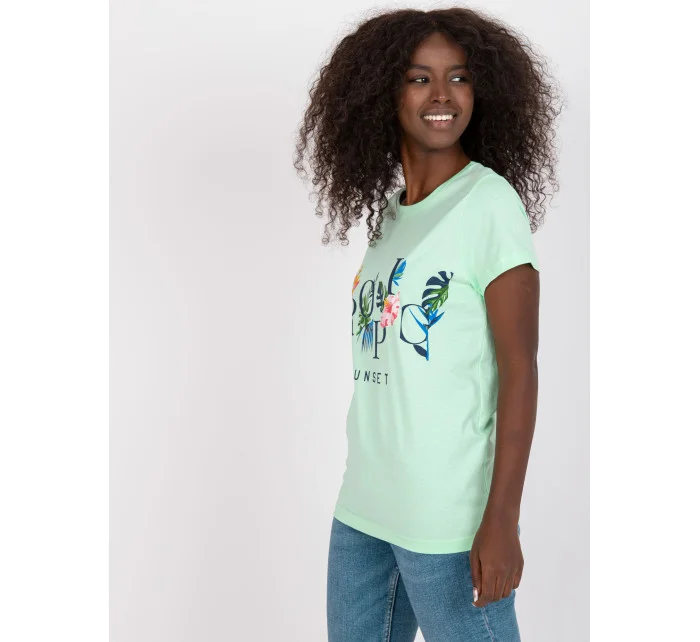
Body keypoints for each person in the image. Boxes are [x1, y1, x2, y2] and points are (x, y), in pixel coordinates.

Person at [294, 7, 562, 641]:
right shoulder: (391, 218)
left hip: (448, 520)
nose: (442, 95)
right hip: (363, 510)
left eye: (459, 77)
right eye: (419, 78)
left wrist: (502, 519)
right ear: (383, 94)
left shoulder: (488, 203)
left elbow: (519, 371)